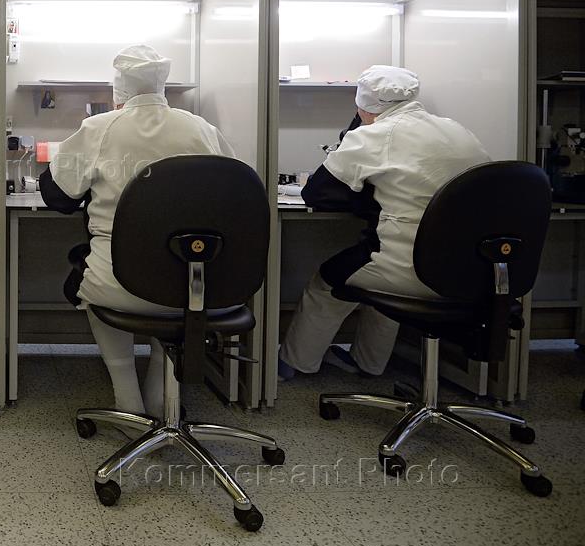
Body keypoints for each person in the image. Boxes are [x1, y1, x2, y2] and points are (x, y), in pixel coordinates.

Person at [39, 45, 235, 415]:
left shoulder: (99, 128)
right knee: (171, 293)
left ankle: (127, 399)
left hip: (119, 279)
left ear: (118, 92)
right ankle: (162, 397)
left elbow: (57, 197)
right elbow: (237, 190)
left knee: (94, 281)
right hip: (195, 278)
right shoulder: (202, 129)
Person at [279, 65, 490, 380]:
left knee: (327, 283)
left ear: (363, 107)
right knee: (384, 280)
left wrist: (356, 135)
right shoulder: (456, 130)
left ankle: (295, 363)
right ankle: (369, 363)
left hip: (408, 268)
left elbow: (316, 193)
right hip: (472, 267)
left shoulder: (373, 135)